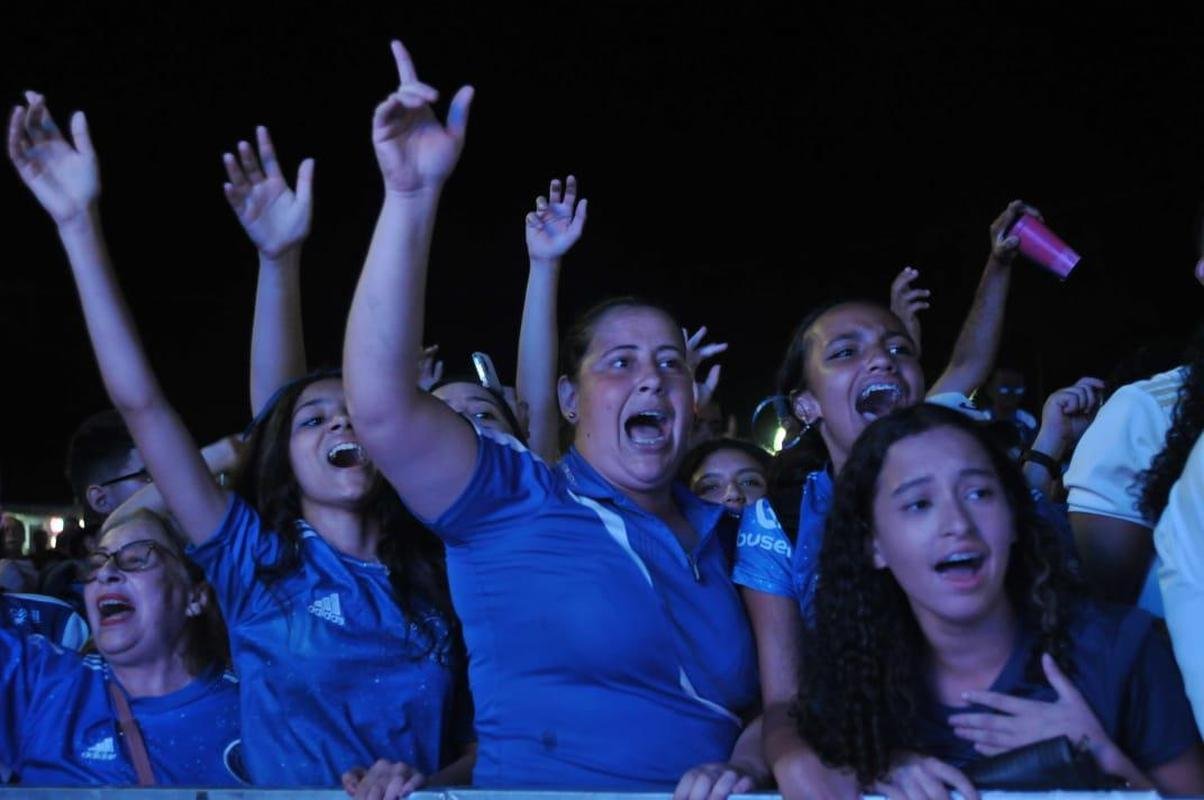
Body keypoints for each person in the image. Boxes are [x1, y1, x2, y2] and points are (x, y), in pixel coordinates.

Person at [7, 92, 472, 789]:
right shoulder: (257, 566)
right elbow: (142, 404)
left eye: (353, 413)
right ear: (282, 455)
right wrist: (78, 224)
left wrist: (427, 784)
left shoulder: (443, 569)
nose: (341, 423)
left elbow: (488, 740)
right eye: (314, 420)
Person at [343, 40, 760, 793]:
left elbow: (775, 705)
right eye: (620, 362)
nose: (652, 379)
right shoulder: (513, 501)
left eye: (672, 363)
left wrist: (748, 765)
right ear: (569, 400)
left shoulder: (734, 534)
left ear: (694, 404)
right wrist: (410, 198)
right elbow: (379, 407)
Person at [794, 404, 1204, 798]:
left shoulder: (1121, 650)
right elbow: (780, 735)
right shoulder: (851, 676)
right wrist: (873, 769)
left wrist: (1099, 756)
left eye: (979, 494)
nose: (957, 524)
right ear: (874, 545)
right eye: (919, 504)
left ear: (1012, 518)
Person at [0, 507, 241, 786]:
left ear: (195, 597)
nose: (106, 573)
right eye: (97, 562)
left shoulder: (255, 709)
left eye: (137, 558)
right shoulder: (39, 681)